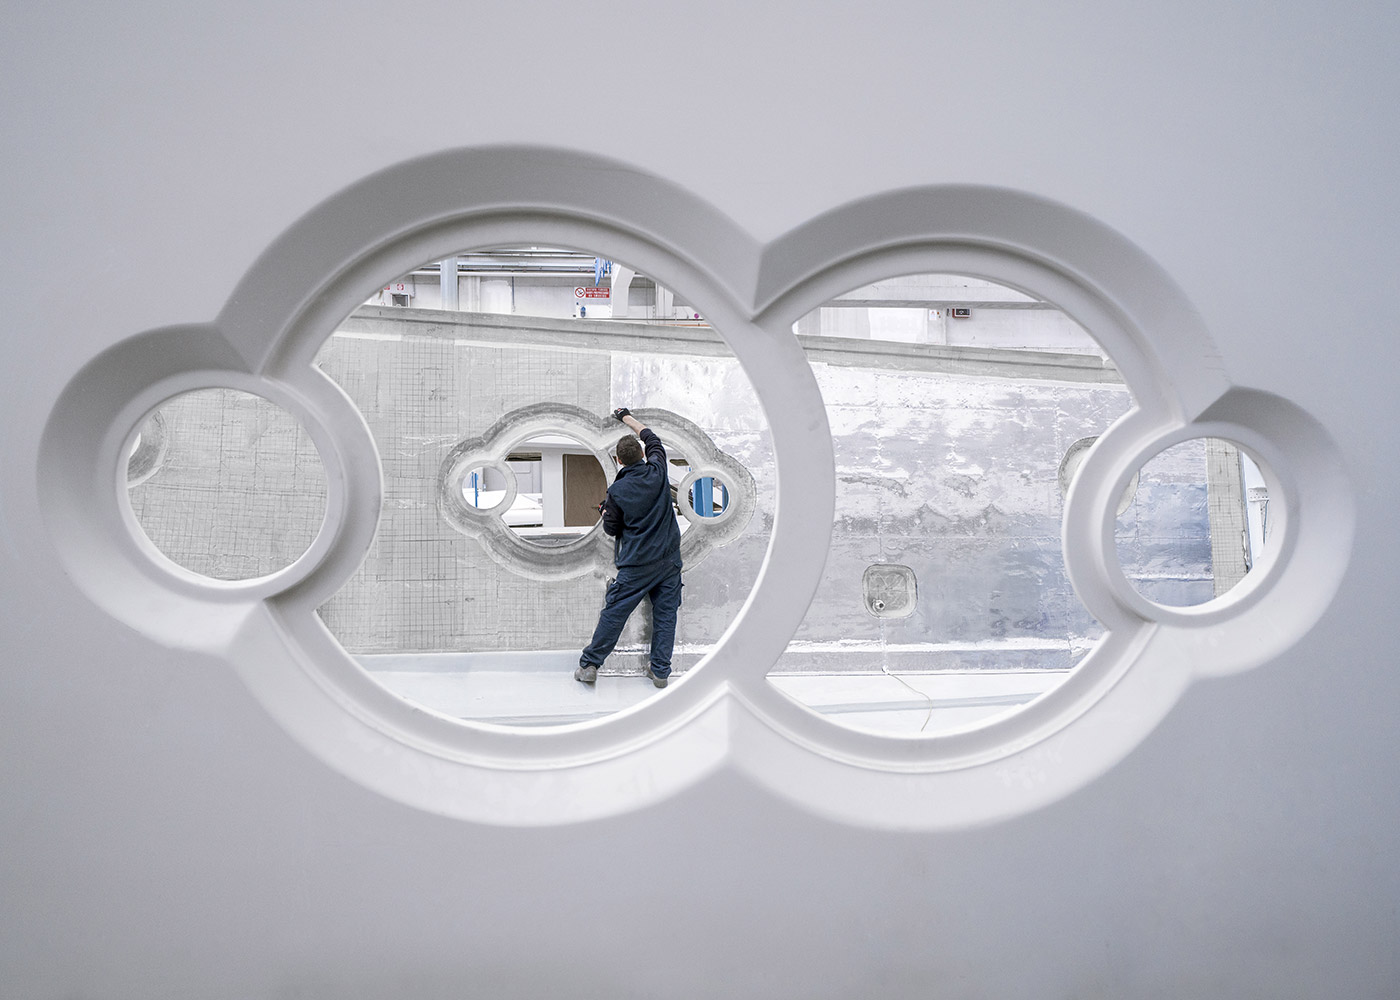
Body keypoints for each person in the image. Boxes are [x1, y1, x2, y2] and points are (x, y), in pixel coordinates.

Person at [575, 408, 683, 689]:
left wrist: (605, 509)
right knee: (666, 615)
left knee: (615, 614)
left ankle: (589, 665)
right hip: (669, 561)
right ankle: (660, 672)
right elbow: (652, 438)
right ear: (643, 455)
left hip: (636, 565)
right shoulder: (658, 470)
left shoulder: (617, 492)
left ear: (619, 461)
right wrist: (626, 417)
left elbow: (611, 528)